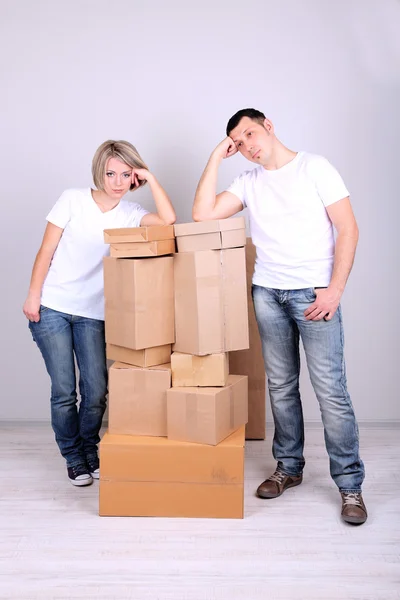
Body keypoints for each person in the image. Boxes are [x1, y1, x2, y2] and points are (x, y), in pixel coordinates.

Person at [193, 108, 367, 525]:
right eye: (239, 142)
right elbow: (202, 215)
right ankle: (289, 467)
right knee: (282, 388)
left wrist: (335, 290)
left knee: (330, 392)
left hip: (313, 295)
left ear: (268, 126)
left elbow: (348, 228)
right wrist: (218, 155)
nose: (248, 146)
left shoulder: (314, 167)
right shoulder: (247, 182)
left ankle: (350, 486)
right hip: (267, 293)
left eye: (250, 133)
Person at [23, 140, 176, 487]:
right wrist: (34, 296)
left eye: (125, 174)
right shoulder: (72, 199)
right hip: (53, 308)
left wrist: (151, 178)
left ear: (133, 176)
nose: (117, 181)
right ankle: (74, 457)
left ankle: (90, 448)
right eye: (110, 173)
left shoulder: (132, 214)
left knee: (96, 390)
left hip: (93, 312)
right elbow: (46, 250)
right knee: (64, 391)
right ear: (99, 171)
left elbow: (167, 221)